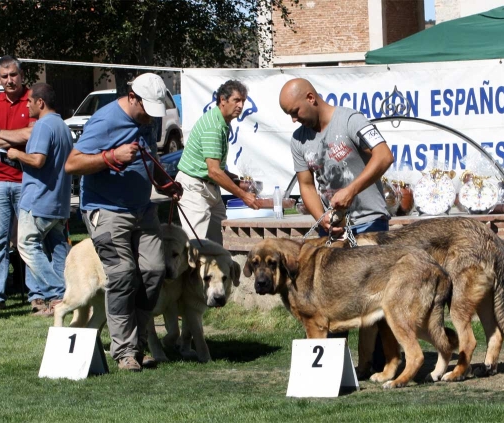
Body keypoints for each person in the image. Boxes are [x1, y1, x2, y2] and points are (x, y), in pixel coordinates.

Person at [279, 77, 394, 368]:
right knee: (334, 301)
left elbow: (384, 156)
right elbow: (306, 185)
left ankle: (382, 365)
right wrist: (324, 219)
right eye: (288, 115)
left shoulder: (351, 120)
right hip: (334, 230)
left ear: (311, 98)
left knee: (376, 301)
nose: (293, 119)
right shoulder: (299, 140)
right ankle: (339, 370)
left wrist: (351, 190)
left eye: (295, 111)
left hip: (369, 223)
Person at [64, 73, 171, 372]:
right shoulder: (104, 120)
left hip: (143, 209)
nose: (152, 117)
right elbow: (72, 164)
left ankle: (136, 344)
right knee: (123, 274)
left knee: (154, 270)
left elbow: (150, 159)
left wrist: (166, 182)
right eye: (147, 109)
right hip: (107, 210)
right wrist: (111, 155)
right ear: (132, 97)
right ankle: (125, 351)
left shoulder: (147, 120)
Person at [0, 55, 44, 314]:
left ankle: (36, 295)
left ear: (21, 75)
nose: (9, 80)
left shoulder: (33, 100)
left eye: (13, 75)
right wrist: (12, 137)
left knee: (29, 239)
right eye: (3, 76)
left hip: (28, 180)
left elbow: (32, 134)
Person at [6, 83, 72, 317]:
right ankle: (62, 298)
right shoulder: (62, 126)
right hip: (59, 201)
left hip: (39, 200)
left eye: (29, 101)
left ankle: (59, 291)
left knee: (27, 245)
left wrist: (15, 154)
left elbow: (38, 160)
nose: (26, 104)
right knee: (57, 248)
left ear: (40, 102)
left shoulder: (43, 125)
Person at [175, 79, 259, 245]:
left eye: (243, 101)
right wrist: (244, 196)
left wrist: (237, 181)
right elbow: (213, 171)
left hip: (208, 186)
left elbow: (215, 168)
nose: (241, 106)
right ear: (223, 100)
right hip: (194, 188)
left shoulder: (221, 122)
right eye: (236, 100)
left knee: (220, 243)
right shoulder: (213, 126)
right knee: (196, 245)